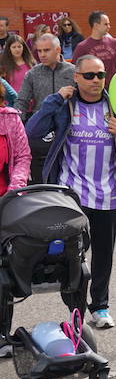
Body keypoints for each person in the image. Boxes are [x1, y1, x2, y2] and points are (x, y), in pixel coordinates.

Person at [26, 55, 116, 329]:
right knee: (71, 257)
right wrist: (53, 100)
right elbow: (31, 133)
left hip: (108, 196)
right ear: (77, 77)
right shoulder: (64, 106)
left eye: (101, 75)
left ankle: (101, 306)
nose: (96, 80)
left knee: (104, 255)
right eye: (90, 75)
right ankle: (76, 309)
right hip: (72, 197)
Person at [15, 34, 76, 183]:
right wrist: (18, 130)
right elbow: (21, 102)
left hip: (68, 131)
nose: (42, 54)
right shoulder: (32, 74)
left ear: (58, 50)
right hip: (40, 132)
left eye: (46, 50)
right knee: (40, 179)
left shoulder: (74, 72)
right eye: (39, 51)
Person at [0, 94, 31, 358]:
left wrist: (14, 190)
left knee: (3, 276)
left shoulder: (9, 118)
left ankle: (2, 333)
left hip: (5, 206)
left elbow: (22, 157)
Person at [72, 11, 116, 89]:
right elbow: (74, 70)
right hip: (91, 91)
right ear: (96, 25)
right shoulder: (82, 47)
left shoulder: (115, 43)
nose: (109, 27)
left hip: (114, 89)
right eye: (106, 24)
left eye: (109, 24)